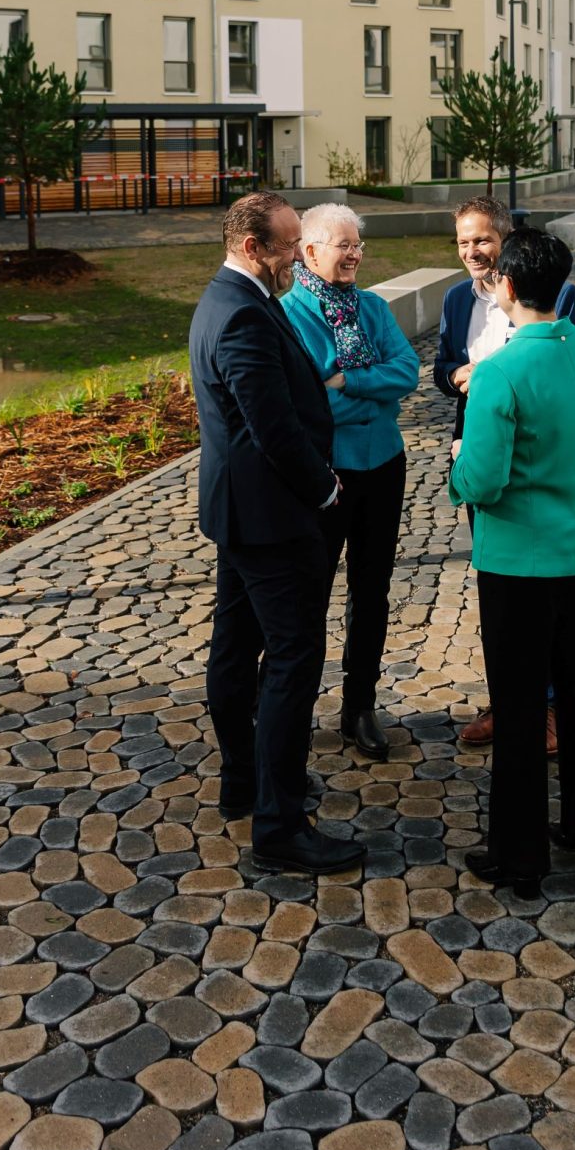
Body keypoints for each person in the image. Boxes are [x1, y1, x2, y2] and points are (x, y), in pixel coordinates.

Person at [188, 190, 365, 876]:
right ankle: (280, 826)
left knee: (235, 648)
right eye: (290, 243)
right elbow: (271, 427)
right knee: (292, 659)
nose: (300, 253)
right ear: (251, 246)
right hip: (269, 515)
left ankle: (244, 781)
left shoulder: (229, 298)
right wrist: (324, 487)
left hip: (242, 511)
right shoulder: (239, 317)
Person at [449, 228, 575, 898]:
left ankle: (520, 855)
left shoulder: (499, 370)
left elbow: (485, 479)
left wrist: (456, 471)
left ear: (511, 287)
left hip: (522, 560)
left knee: (521, 706)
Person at [434, 195, 575, 751]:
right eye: (463, 242)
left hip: (542, 469)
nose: (473, 252)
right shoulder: (455, 300)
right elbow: (440, 367)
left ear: (506, 240)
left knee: (540, 596)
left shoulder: (558, 294)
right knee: (500, 596)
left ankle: (546, 709)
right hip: (481, 457)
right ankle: (509, 702)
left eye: (482, 240)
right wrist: (458, 377)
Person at [281, 204, 420, 763]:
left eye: (358, 243)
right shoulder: (290, 315)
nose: (355, 253)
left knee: (373, 590)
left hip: (384, 465)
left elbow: (407, 371)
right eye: (343, 244)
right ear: (309, 252)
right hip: (326, 472)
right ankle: (293, 706)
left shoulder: (373, 306)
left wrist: (349, 379)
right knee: (308, 593)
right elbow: (313, 401)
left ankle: (359, 705)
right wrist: (364, 390)